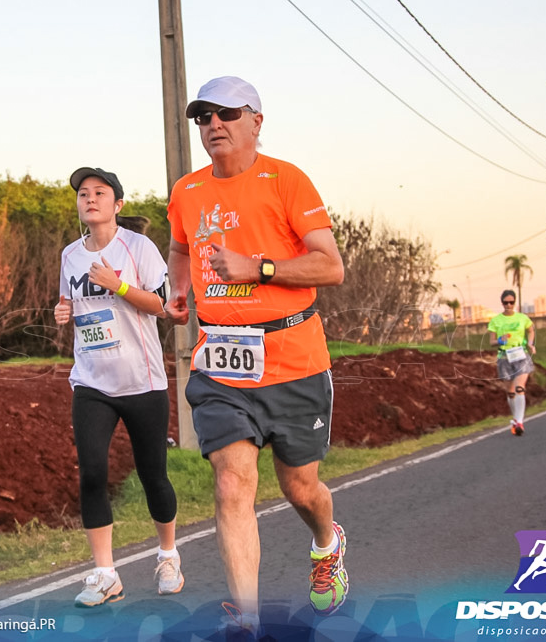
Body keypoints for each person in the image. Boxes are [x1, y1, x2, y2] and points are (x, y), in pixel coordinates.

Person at [164, 76, 347, 635]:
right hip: (220, 360)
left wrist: (258, 267)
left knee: (300, 488)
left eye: (226, 114)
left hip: (294, 359)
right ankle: (246, 618)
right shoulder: (187, 192)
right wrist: (178, 290)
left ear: (256, 121)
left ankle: (326, 543)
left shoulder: (286, 181)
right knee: (232, 481)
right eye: (203, 117)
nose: (213, 124)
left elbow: (330, 266)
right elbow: (179, 246)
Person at [53, 167, 183, 607]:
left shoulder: (138, 248)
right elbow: (71, 301)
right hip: (91, 381)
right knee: (91, 473)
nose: (90, 199)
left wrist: (119, 284)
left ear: (118, 205)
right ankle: (105, 573)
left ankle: (168, 556)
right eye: (83, 194)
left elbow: (162, 305)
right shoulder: (70, 255)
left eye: (100, 193)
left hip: (141, 381)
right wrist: (62, 311)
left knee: (153, 476)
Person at [487, 290, 537, 436]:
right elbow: (491, 341)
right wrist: (499, 341)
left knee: (519, 388)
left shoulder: (522, 318)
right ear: (501, 303)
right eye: (505, 302)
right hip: (504, 357)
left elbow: (531, 331)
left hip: (521, 355)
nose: (508, 305)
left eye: (511, 302)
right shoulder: (496, 321)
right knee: (510, 392)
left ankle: (520, 421)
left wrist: (531, 343)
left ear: (515, 302)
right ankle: (516, 418)